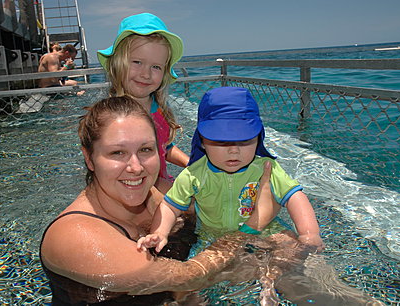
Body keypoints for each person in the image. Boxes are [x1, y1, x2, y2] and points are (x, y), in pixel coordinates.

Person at [39, 95, 282, 305]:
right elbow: (188, 275)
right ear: (89, 158)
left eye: (146, 150)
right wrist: (251, 226)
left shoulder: (160, 193)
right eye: (117, 153)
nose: (136, 167)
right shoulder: (76, 233)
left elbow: (214, 214)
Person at [137, 87, 324, 255]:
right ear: (202, 141)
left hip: (266, 231)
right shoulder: (194, 174)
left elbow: (295, 197)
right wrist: (160, 233)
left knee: (289, 252)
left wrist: (309, 234)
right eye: (221, 141)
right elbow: (170, 206)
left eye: (244, 140)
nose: (234, 150)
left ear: (259, 138)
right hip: (211, 237)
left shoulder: (266, 168)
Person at [97, 13, 189, 193]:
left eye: (156, 67)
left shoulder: (158, 109)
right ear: (117, 64)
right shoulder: (114, 119)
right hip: (134, 189)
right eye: (137, 62)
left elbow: (164, 147)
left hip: (159, 185)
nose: (146, 74)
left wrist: (189, 163)